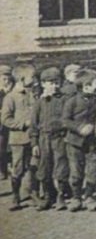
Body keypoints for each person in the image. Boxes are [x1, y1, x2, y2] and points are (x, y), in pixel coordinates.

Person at [62, 69, 96, 211]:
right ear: (86, 86)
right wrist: (79, 128)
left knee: (93, 169)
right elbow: (65, 121)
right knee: (76, 171)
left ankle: (89, 196)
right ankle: (76, 197)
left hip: (92, 142)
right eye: (95, 83)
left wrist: (95, 127)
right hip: (74, 143)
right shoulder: (72, 101)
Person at [2, 61, 37, 211]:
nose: (35, 80)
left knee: (33, 166)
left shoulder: (34, 94)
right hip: (18, 139)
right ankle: (15, 196)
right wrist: (23, 124)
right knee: (18, 168)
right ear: (22, 79)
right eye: (32, 77)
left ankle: (33, 193)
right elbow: (5, 119)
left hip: (34, 138)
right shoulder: (11, 97)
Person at [30, 66, 65, 211]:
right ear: (43, 84)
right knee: (44, 168)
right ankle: (48, 196)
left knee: (60, 167)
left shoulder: (64, 100)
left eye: (56, 82)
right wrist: (34, 143)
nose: (54, 86)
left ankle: (61, 196)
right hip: (43, 139)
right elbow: (34, 124)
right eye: (50, 82)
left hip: (59, 138)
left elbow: (67, 119)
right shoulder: (39, 102)